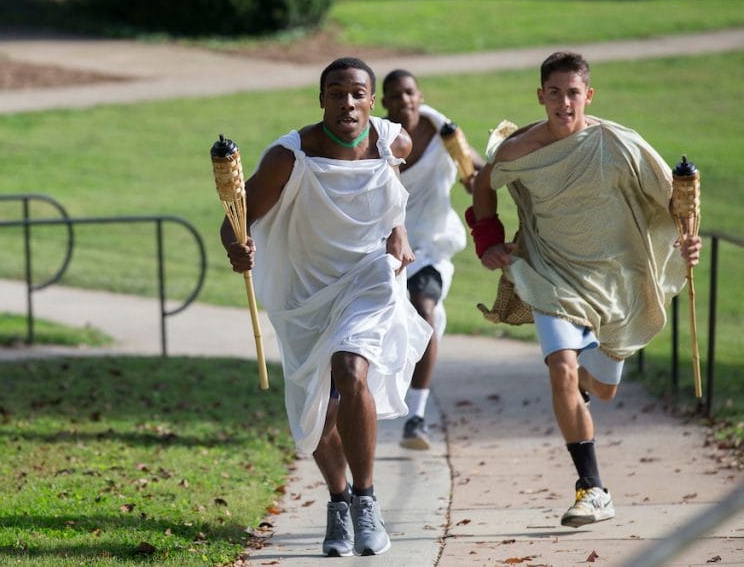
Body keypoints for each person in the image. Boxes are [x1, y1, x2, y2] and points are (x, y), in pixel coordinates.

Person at [468, 51, 702, 528]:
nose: (563, 102)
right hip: (550, 274)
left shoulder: (618, 143)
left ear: (588, 96)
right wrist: (488, 239)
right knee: (563, 372)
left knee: (602, 390)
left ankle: (587, 383)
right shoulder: (518, 149)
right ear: (540, 96)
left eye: (573, 93)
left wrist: (687, 241)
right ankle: (592, 488)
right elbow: (483, 184)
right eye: (554, 93)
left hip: (617, 283)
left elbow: (674, 198)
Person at [221, 57, 432, 557]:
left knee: (351, 367)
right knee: (315, 413)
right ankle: (337, 502)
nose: (347, 103)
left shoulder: (391, 141)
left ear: (372, 102)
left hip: (368, 277)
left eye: (357, 93)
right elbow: (236, 219)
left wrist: (397, 226)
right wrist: (237, 246)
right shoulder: (288, 158)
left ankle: (365, 500)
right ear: (321, 100)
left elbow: (397, 180)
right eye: (336, 93)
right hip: (304, 293)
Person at [381, 69, 483, 450]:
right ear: (385, 102)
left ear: (419, 96)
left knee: (423, 310)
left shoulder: (445, 133)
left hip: (432, 247)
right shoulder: (377, 140)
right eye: (395, 95)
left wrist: (475, 180)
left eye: (409, 92)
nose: (404, 100)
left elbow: (475, 167)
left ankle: (416, 417)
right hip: (384, 247)